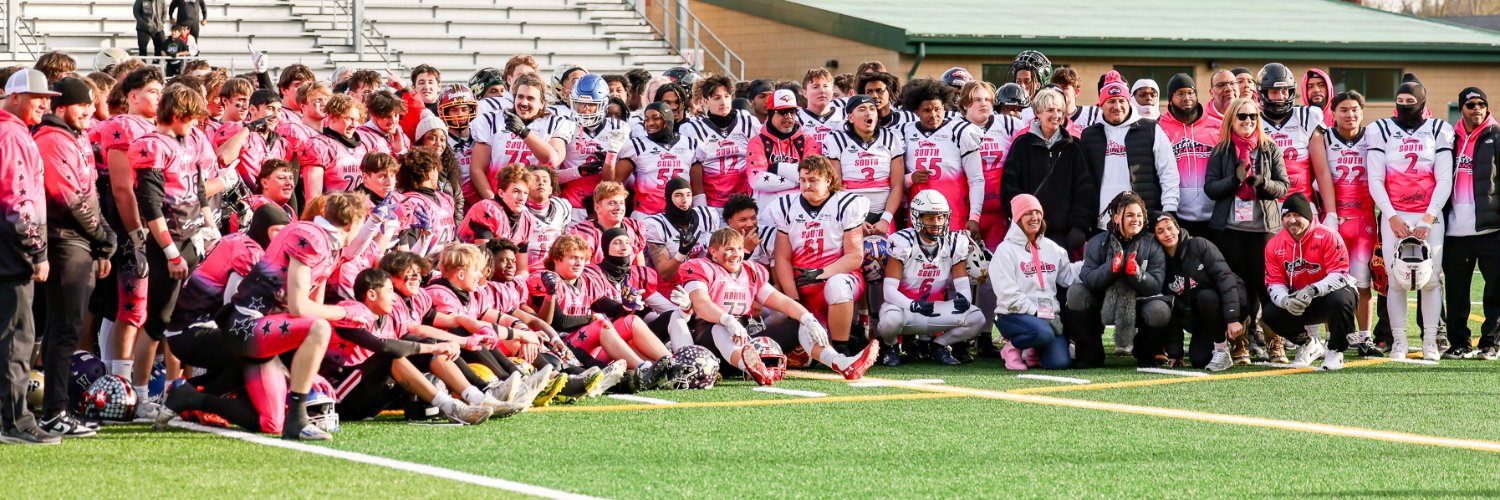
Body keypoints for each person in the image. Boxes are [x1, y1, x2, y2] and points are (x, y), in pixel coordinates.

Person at [224, 191, 370, 441]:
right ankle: (298, 416)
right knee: (320, 328)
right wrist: (346, 312)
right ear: (352, 224)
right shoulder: (311, 237)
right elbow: (299, 308)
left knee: (271, 421)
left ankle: (188, 397)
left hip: (268, 327)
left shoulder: (328, 243)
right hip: (247, 324)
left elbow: (314, 306)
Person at [676, 227, 878, 385]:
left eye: (738, 248)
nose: (735, 254)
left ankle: (841, 363)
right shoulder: (701, 268)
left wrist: (809, 319)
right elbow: (701, 304)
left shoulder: (750, 271)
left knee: (797, 324)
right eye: (728, 249)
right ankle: (751, 367)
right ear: (713, 252)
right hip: (710, 348)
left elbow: (781, 301)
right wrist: (727, 320)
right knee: (720, 328)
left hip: (743, 341)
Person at [127, 83, 217, 418]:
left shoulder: (187, 141)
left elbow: (200, 192)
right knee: (158, 319)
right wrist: (170, 253)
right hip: (170, 240)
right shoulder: (151, 145)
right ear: (177, 115)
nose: (195, 125)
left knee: (187, 319)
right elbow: (151, 206)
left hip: (192, 237)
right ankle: (139, 396)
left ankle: (177, 391)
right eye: (191, 119)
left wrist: (210, 230)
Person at [35, 77, 114, 437]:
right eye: (82, 104)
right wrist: (103, 235)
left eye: (90, 104)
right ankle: (53, 411)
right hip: (64, 239)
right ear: (61, 106)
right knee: (63, 330)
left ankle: (54, 409)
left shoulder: (73, 136)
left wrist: (99, 239)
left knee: (63, 329)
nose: (88, 111)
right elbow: (67, 196)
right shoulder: (51, 139)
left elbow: (88, 194)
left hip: (78, 241)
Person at [1368, 79, 1453, 361]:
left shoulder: (1439, 129)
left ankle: (1429, 340)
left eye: (1410, 102)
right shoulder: (1381, 130)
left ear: (1422, 103)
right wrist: (1391, 216)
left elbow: (1443, 179)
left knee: (1430, 278)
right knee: (1396, 278)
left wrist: (1428, 217)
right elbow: (1376, 178)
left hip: (1428, 213)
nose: (1404, 107)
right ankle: (1399, 342)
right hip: (1396, 214)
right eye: (1400, 102)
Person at [1204, 97, 1291, 365]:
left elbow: (1284, 187)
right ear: (1232, 118)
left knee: (1268, 288)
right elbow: (1210, 189)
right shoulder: (1221, 151)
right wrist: (1234, 181)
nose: (1248, 121)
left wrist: (1262, 183)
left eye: (1253, 116)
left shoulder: (1269, 148)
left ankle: (1275, 342)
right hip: (1229, 230)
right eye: (1242, 116)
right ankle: (1239, 343)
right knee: (1237, 289)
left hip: (1263, 230)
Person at [0, 69, 61, 445]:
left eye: (48, 98)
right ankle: (15, 422)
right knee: (17, 340)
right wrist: (36, 250)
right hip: (10, 255)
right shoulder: (13, 135)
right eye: (37, 97)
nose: (45, 103)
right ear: (15, 97)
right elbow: (17, 201)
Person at [772, 155, 870, 354]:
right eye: (803, 180)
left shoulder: (847, 204)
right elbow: (782, 258)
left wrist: (821, 273)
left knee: (838, 285)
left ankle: (842, 347)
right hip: (801, 286)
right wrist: (794, 301)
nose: (806, 185)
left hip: (837, 277)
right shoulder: (786, 206)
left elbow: (854, 256)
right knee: (775, 323)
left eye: (813, 180)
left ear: (828, 180)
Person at [874, 191, 984, 366]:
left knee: (976, 318)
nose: (937, 224)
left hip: (934, 308)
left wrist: (964, 300)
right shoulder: (903, 242)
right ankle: (891, 345)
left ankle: (939, 345)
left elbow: (962, 285)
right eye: (930, 218)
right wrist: (912, 305)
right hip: (905, 309)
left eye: (941, 218)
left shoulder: (955, 242)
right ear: (917, 218)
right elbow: (888, 291)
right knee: (890, 320)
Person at [1066, 191, 1170, 368]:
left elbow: (1156, 285)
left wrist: (1137, 274)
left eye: (1139, 215)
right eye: (1129, 215)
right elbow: (1088, 278)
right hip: (1103, 300)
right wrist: (1110, 268)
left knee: (1159, 310)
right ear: (1116, 217)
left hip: (1138, 302)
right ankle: (1090, 352)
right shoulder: (1096, 242)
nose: (1135, 220)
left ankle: (1145, 353)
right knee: (1075, 293)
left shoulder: (1153, 243)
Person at [1318, 91, 1382, 356]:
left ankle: (1364, 336)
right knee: (1329, 281)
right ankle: (1334, 336)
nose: (1350, 114)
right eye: (1344, 109)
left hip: (1364, 221)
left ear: (1362, 112)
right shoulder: (1323, 138)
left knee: (1363, 283)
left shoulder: (1373, 136)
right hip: (1334, 220)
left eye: (1355, 109)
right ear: (1333, 112)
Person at [1262, 193, 1358, 370]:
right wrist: (1285, 300)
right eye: (1287, 216)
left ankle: (1335, 350)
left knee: (1339, 300)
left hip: (1330, 295)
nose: (1291, 221)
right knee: (1270, 312)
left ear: (1307, 215)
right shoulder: (1274, 244)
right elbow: (1273, 282)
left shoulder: (1328, 236)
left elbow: (1340, 274)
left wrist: (1312, 289)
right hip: (1300, 301)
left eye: (1296, 215)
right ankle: (1308, 344)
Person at [1000, 87, 1095, 254]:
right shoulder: (1022, 145)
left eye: (1059, 110)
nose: (1056, 115)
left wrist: (1079, 226)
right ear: (1038, 112)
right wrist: (1023, 219)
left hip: (1065, 236)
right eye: (1050, 110)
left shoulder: (1074, 146)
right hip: (1029, 232)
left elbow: (1085, 190)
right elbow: (1010, 186)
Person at [990, 194, 1077, 370]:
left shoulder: (1052, 247)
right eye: (1028, 213)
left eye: (1038, 212)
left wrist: (1093, 263)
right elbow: (1008, 295)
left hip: (1047, 317)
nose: (1035, 217)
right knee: (1042, 332)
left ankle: (1033, 350)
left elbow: (1069, 276)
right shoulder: (1005, 251)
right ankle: (1011, 347)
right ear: (1017, 218)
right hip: (1014, 315)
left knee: (1059, 363)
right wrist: (1036, 313)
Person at [1445, 87, 1500, 360]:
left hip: (1491, 229)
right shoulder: (1448, 139)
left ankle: (1490, 343)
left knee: (1495, 291)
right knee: (1456, 294)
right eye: (1471, 105)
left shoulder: (1497, 137)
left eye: (1481, 104)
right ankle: (1459, 343)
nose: (1477, 108)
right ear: (1462, 109)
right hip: (1454, 231)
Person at [1081, 73, 1180, 226]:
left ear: (1129, 102)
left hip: (1143, 222)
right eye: (1111, 101)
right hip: (1101, 225)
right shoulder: (1089, 135)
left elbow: (1168, 173)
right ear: (1101, 105)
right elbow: (1083, 183)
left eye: (1122, 101)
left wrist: (1169, 210)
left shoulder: (1151, 129)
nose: (1117, 106)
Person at [1151, 213, 1240, 370]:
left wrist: (1232, 317)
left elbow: (1225, 278)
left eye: (1170, 228)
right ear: (1155, 236)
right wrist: (1175, 353)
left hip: (1224, 308)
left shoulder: (1199, 245)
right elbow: (1171, 307)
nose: (1167, 234)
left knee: (1206, 296)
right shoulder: (1160, 262)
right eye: (1160, 231)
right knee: (1199, 360)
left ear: (1178, 228)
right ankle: (1217, 341)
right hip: (1201, 319)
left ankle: (1223, 349)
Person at [470, 74, 573, 202]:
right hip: (500, 197)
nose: (524, 103)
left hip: (536, 203)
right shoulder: (492, 121)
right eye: (520, 97)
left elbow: (552, 159)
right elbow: (476, 169)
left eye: (530, 98)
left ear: (542, 103)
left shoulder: (555, 123)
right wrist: (494, 202)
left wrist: (524, 132)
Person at [898, 78, 983, 233]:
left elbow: (976, 179)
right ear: (916, 111)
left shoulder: (960, 131)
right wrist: (910, 178)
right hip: (919, 217)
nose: (933, 115)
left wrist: (974, 217)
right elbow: (893, 183)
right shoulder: (904, 132)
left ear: (944, 107)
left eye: (937, 109)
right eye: (926, 110)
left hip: (953, 216)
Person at [1258, 63, 1336, 219]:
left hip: (1302, 203)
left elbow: (1322, 171)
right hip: (1266, 205)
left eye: (1284, 91)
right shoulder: (1253, 120)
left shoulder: (1306, 117)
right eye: (1274, 92)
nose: (1281, 97)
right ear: (1263, 93)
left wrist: (1331, 213)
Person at [822, 95, 905, 235]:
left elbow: (898, 184)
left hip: (884, 214)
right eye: (861, 109)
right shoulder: (836, 140)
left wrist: (886, 219)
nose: (868, 113)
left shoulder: (891, 138)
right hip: (849, 213)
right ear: (850, 117)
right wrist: (854, 219)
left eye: (872, 109)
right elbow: (835, 186)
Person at [962, 80, 1026, 250]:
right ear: (965, 104)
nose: (984, 104)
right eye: (977, 99)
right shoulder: (955, 128)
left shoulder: (1008, 123)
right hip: (964, 212)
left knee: (996, 266)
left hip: (999, 211)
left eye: (987, 99)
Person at [682, 75, 759, 213]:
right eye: (717, 98)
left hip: (745, 201)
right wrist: (700, 203)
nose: (723, 102)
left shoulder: (748, 122)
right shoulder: (693, 129)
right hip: (713, 204)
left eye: (727, 96)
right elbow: (694, 169)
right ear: (705, 101)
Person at [1159, 73, 1222, 238]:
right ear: (1170, 99)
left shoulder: (1217, 126)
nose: (1186, 97)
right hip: (1177, 214)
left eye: (1190, 92)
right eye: (1180, 93)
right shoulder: (1159, 128)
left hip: (1215, 213)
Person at [612, 102, 700, 218]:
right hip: (646, 215)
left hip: (680, 216)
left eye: (656, 118)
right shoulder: (637, 146)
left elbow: (698, 190)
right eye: (646, 119)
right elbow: (614, 183)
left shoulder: (690, 145)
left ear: (668, 119)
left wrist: (700, 215)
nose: (650, 123)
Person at [558, 74, 627, 222]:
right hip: (571, 207)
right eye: (580, 104)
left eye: (591, 104)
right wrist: (579, 171)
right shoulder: (565, 126)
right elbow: (552, 176)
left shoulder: (618, 128)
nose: (585, 109)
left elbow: (628, 179)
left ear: (603, 104)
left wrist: (611, 160)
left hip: (606, 207)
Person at [747, 89, 819, 216]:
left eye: (792, 112)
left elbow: (812, 176)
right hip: (767, 216)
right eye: (783, 112)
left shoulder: (808, 141)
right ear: (769, 114)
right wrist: (799, 181)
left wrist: (776, 167)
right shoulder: (757, 142)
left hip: (801, 214)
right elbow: (757, 180)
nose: (789, 117)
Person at [643, 177, 718, 296]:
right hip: (673, 289)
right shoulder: (656, 225)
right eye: (678, 195)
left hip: (705, 283)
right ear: (668, 198)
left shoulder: (707, 216)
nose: (685, 200)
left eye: (688, 195)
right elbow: (665, 274)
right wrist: (682, 253)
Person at [298, 93, 383, 199]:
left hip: (360, 211)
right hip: (332, 211)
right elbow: (313, 198)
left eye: (356, 120)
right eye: (348, 119)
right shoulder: (320, 146)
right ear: (332, 117)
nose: (354, 125)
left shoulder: (365, 143)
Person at [798, 68, 844, 148]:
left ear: (832, 90)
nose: (822, 91)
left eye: (826, 86)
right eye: (815, 87)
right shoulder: (797, 117)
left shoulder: (844, 115)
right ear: (805, 93)